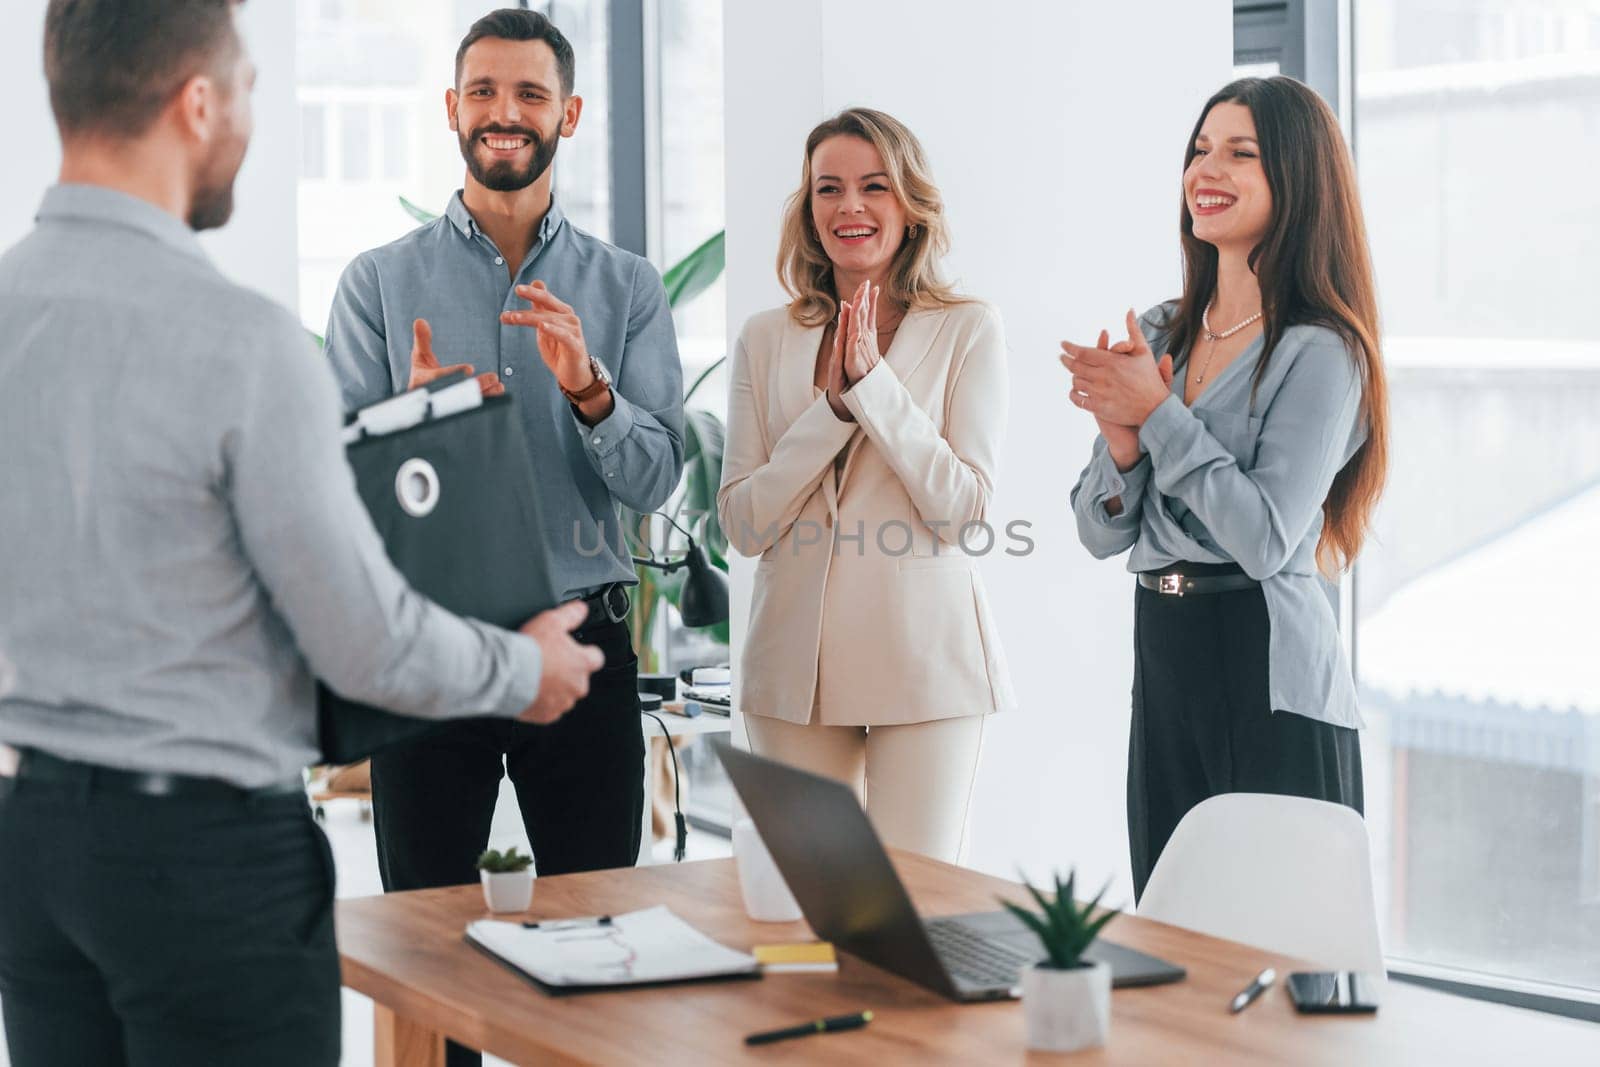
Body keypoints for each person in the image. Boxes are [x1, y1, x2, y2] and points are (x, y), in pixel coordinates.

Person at [0, 2, 602, 1065]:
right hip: (204, 859)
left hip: (32, 843)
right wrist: (526, 667)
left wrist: (402, 436)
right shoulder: (240, 340)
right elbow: (362, 638)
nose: (246, 119)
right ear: (197, 103)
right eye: (245, 90)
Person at [322, 2, 682, 993]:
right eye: (483, 89)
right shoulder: (377, 285)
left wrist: (588, 388)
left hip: (585, 647)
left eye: (530, 92)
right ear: (452, 107)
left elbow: (657, 478)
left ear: (567, 115)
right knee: (427, 960)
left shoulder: (628, 287)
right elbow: (342, 491)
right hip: (429, 651)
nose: (503, 110)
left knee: (599, 948)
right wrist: (415, 429)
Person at [1062, 76, 1389, 900]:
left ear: (1298, 180)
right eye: (1200, 150)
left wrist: (1159, 415)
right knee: (1177, 933)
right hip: (1164, 641)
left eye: (1241, 152)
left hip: (1266, 664)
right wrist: (1123, 442)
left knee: (1279, 954)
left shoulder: (1322, 352)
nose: (1208, 168)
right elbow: (1101, 532)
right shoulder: (1162, 329)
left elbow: (1267, 537)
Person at [718, 108, 1012, 863]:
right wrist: (832, 411)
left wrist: (876, 389)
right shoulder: (765, 335)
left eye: (874, 186)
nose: (849, 206)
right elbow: (744, 523)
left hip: (926, 666)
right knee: (817, 908)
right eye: (829, 189)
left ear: (910, 205)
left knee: (919, 903)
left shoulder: (968, 328)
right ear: (808, 208)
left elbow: (963, 510)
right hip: (793, 672)